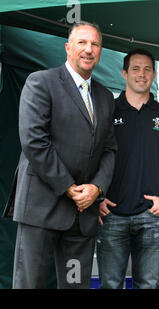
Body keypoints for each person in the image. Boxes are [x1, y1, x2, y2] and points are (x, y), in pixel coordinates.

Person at [11, 21, 117, 288]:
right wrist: (70, 188)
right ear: (68, 48)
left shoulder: (105, 97)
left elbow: (109, 149)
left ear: (101, 51)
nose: (88, 49)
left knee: (74, 284)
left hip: (82, 215)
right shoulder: (41, 82)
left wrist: (96, 188)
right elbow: (34, 141)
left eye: (95, 44)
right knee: (30, 283)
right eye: (82, 42)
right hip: (41, 207)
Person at [96, 49, 159, 289]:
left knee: (148, 284)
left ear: (154, 74)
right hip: (111, 214)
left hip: (151, 216)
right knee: (110, 284)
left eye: (148, 69)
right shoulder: (106, 111)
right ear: (124, 73)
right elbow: (90, 157)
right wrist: (97, 196)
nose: (142, 74)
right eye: (136, 69)